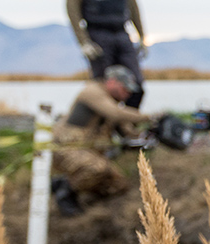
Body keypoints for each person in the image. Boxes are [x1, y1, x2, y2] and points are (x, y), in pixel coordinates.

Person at [51, 65, 155, 214]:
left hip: (89, 151)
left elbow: (129, 132)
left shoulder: (113, 103)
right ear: (112, 82)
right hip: (67, 148)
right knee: (97, 168)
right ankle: (66, 192)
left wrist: (148, 135)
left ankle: (90, 204)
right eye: (125, 89)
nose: (127, 95)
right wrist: (150, 117)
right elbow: (116, 114)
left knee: (119, 184)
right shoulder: (92, 92)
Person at [66, 0, 148, 108]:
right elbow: (72, 10)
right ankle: (105, 128)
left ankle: (129, 126)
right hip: (98, 35)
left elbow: (132, 3)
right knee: (104, 87)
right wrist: (84, 42)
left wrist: (142, 36)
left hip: (121, 33)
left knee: (136, 86)